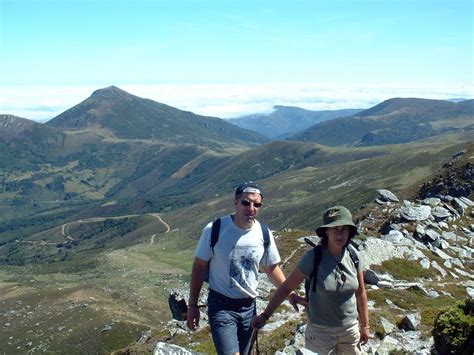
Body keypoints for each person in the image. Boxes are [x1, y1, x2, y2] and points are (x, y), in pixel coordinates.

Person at [186, 181, 305, 355]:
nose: (251, 208)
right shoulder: (215, 229)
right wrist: (192, 305)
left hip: (249, 307)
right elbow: (199, 267)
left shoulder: (264, 233)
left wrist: (291, 293)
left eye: (257, 204)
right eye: (246, 202)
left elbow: (271, 268)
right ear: (236, 202)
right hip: (221, 305)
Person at [252, 206, 371, 354]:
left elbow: (361, 293)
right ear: (326, 231)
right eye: (335, 229)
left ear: (350, 232)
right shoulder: (313, 258)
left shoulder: (354, 256)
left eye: (344, 229)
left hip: (350, 330)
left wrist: (365, 326)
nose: (340, 234)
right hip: (320, 333)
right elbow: (286, 288)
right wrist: (265, 315)